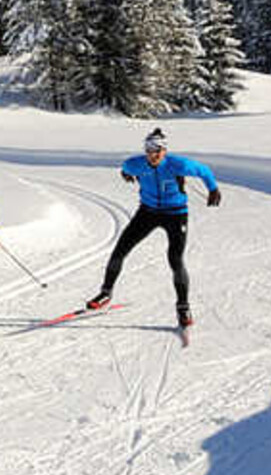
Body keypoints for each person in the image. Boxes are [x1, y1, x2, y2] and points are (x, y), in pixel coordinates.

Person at [85, 128, 220, 328]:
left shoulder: (178, 164)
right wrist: (125, 173)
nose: (153, 155)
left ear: (165, 151)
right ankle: (106, 293)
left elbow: (204, 171)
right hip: (147, 212)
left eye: (158, 150)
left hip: (175, 214)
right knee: (120, 250)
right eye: (150, 150)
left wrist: (213, 189)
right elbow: (126, 167)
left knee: (175, 259)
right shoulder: (135, 164)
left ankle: (183, 306)